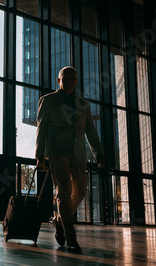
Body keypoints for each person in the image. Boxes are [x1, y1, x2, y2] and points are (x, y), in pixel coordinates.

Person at [35, 66, 105, 252]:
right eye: (65, 78)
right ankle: (70, 236)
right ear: (58, 81)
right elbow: (41, 130)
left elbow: (90, 130)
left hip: (78, 152)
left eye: (73, 78)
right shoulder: (48, 101)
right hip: (57, 151)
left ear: (76, 81)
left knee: (81, 191)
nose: (69, 81)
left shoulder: (83, 104)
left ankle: (59, 220)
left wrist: (99, 152)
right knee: (64, 192)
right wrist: (39, 155)